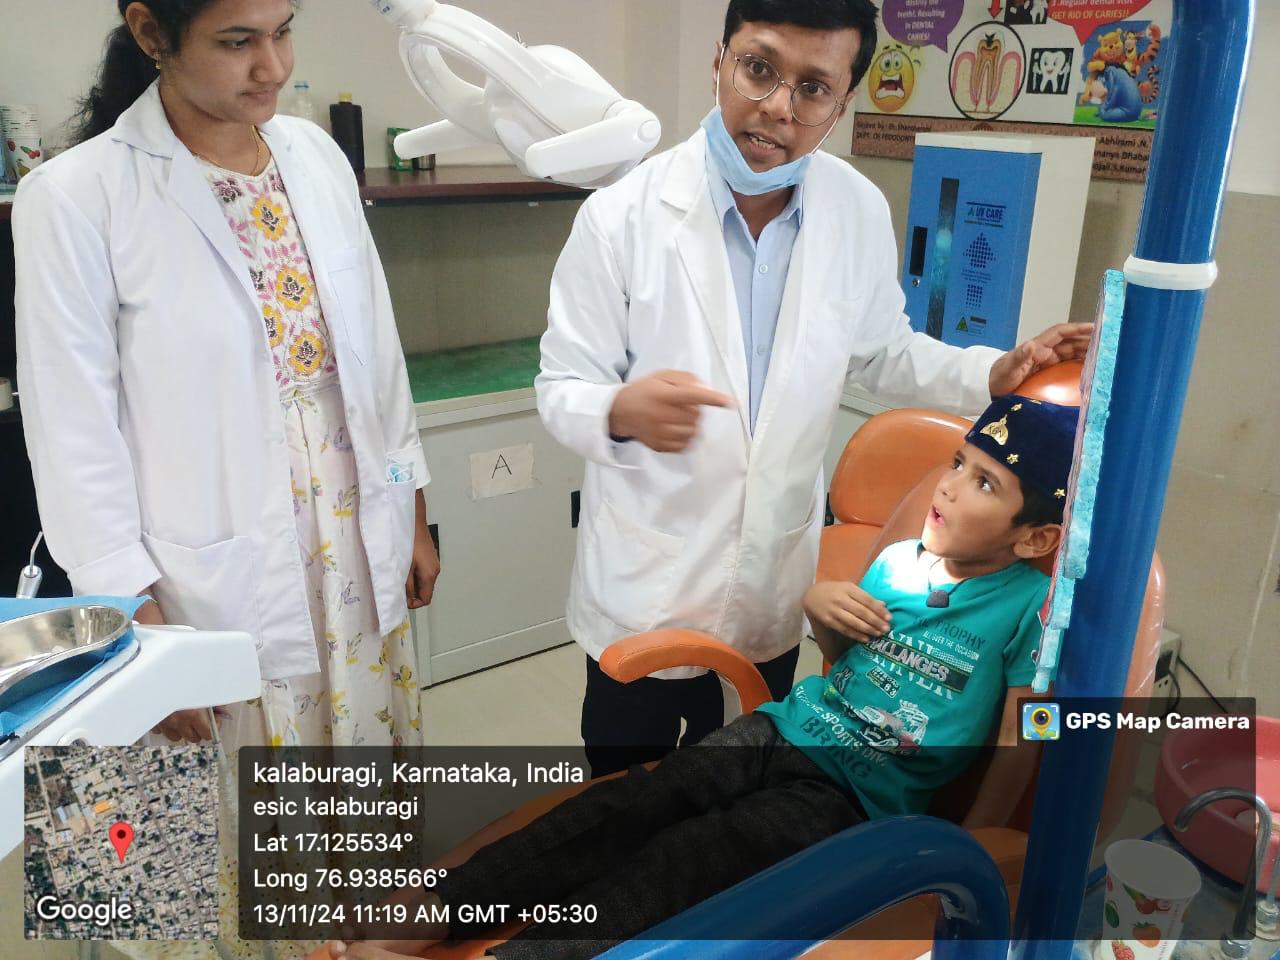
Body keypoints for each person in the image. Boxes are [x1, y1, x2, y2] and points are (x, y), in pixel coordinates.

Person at [534, 0, 1092, 776]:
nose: (777, 107)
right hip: (644, 584)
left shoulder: (854, 209)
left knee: (739, 786)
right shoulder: (620, 218)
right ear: (720, 59)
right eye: (758, 68)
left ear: (842, 101)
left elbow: (882, 351)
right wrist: (618, 410)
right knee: (626, 797)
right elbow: (561, 386)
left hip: (770, 583)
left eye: (812, 88)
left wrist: (988, 375)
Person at [327, 394, 1077, 960]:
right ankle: (440, 908)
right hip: (783, 729)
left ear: (1036, 536)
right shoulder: (896, 562)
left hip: (854, 796)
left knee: (692, 858)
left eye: (986, 484)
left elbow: (1027, 725)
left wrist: (973, 841)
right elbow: (843, 666)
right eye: (957, 464)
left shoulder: (1029, 609)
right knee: (639, 801)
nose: (949, 488)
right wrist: (819, 609)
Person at [15, 3, 440, 955]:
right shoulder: (76, 196)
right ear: (151, 33)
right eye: (238, 41)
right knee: (209, 848)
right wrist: (134, 634)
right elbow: (71, 434)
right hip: (198, 573)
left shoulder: (313, 158)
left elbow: (377, 355)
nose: (274, 67)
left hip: (351, 540)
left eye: (282, 30)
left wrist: (412, 503)